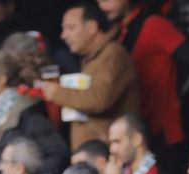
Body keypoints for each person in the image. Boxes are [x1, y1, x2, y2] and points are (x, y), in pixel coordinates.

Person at [41, 3, 140, 149]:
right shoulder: (93, 57)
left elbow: (99, 99)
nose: (63, 35)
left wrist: (58, 92)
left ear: (92, 27)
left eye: (71, 28)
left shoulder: (112, 54)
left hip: (109, 152)